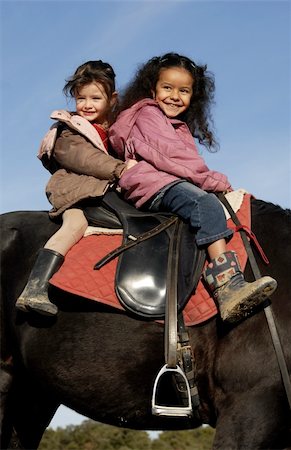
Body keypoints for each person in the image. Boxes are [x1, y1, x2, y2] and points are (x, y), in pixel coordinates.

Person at [109, 52, 277, 323]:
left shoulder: (176, 125)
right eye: (167, 88)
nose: (175, 96)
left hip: (165, 181)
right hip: (152, 184)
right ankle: (227, 286)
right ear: (152, 90)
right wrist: (216, 182)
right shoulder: (148, 114)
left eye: (183, 90)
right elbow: (174, 159)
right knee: (205, 204)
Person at [16, 60, 136, 316]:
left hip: (99, 190)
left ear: (112, 99)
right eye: (81, 98)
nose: (87, 105)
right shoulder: (69, 129)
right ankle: (35, 287)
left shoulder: (114, 130)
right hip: (73, 191)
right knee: (75, 225)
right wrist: (121, 169)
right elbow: (83, 158)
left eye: (95, 98)